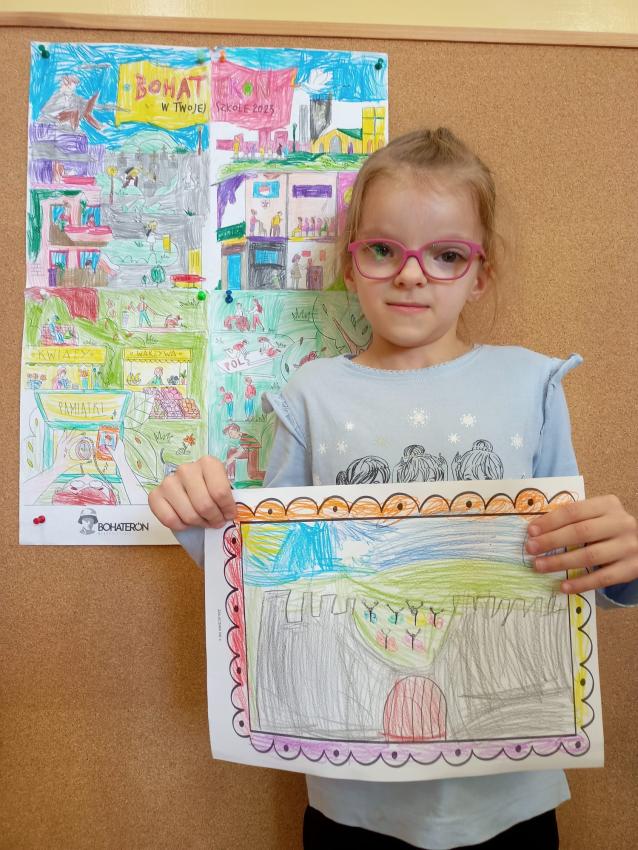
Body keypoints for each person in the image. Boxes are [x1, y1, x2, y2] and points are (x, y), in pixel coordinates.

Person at [148, 128, 638, 850]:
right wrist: (200, 519)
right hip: (353, 801)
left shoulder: (531, 384)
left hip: (512, 793)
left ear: (481, 274)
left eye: (446, 256)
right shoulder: (312, 395)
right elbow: (269, 576)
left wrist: (621, 565)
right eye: (383, 250)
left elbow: (573, 573)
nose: (412, 276)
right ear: (350, 265)